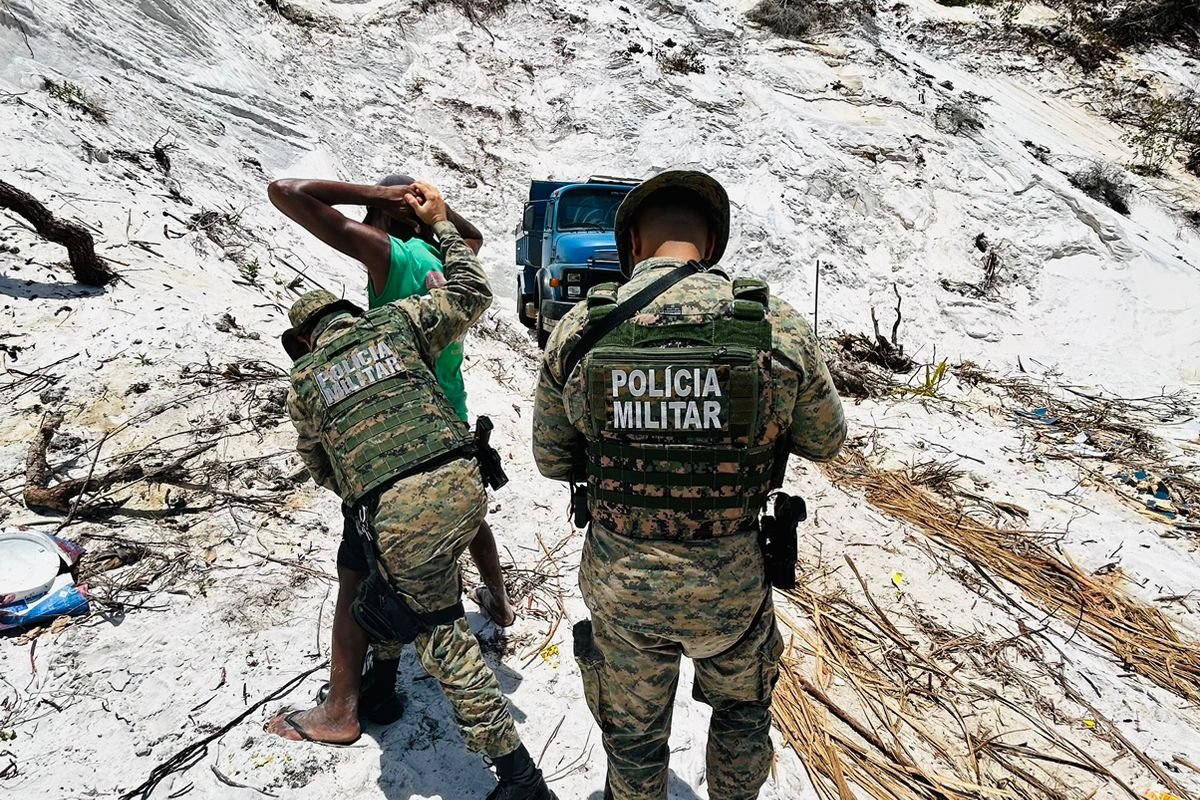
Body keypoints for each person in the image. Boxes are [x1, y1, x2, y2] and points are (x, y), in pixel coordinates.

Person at [532, 170, 846, 800]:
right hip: (730, 583)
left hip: (623, 586)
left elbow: (551, 457)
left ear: (632, 242)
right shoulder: (772, 326)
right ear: (712, 240)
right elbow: (825, 440)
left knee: (633, 736)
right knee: (740, 714)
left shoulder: (579, 330)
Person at [273, 181, 555, 800]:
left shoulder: (307, 378)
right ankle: (385, 680)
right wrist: (440, 220)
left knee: (426, 616)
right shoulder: (402, 320)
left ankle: (519, 777)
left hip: (397, 501)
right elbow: (475, 284)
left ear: (304, 341)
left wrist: (369, 483)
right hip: (459, 466)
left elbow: (323, 467)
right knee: (398, 571)